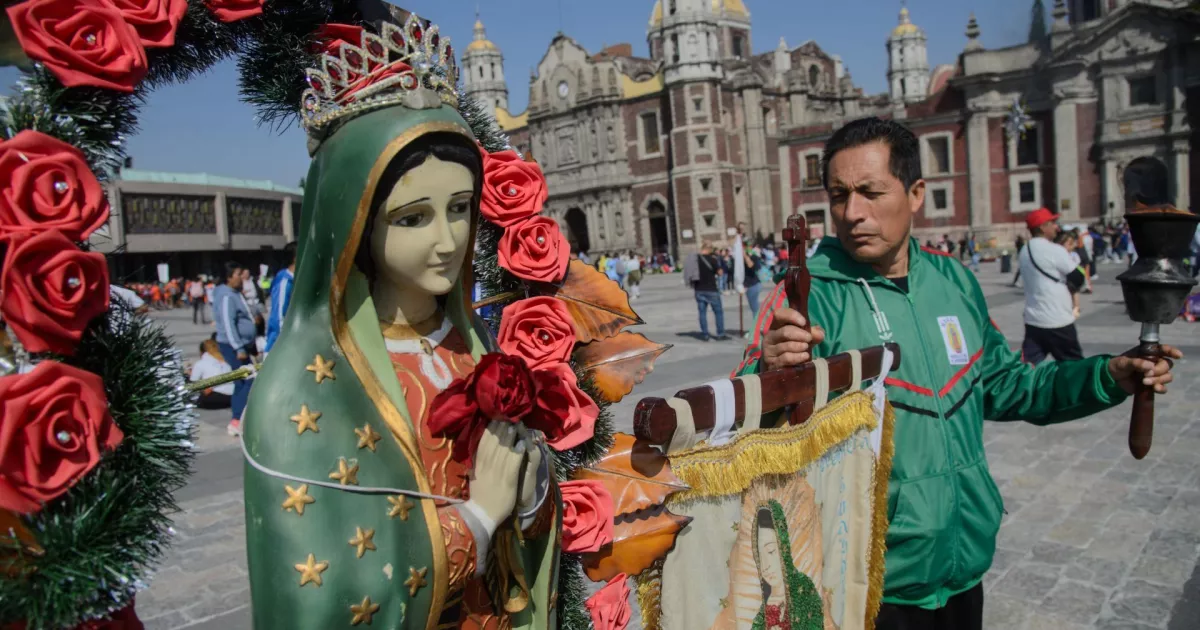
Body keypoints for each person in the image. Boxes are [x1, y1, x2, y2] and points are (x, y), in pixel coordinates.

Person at [735, 117, 1179, 630]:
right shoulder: (808, 297)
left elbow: (1009, 386)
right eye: (838, 196)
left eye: (870, 192)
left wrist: (1107, 377)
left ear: (916, 193)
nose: (852, 213)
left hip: (963, 565)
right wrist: (770, 372)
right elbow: (741, 430)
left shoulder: (953, 280)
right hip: (868, 585)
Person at [239, 25, 561, 627]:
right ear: (354, 217)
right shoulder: (307, 386)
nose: (447, 242)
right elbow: (328, 594)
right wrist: (478, 518)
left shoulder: (469, 340)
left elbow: (521, 515)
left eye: (460, 209)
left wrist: (531, 487)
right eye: (413, 218)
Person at [1019, 209, 1088, 364]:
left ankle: (1020, 388)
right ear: (1043, 227)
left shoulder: (1024, 250)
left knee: (1028, 365)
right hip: (1057, 320)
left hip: (1034, 319)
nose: (1057, 227)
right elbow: (1078, 277)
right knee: (1075, 366)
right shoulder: (1055, 250)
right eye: (1053, 223)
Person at [212, 261, 256, 437]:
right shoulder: (226, 296)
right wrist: (239, 347)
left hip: (243, 344)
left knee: (243, 380)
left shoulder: (234, 293)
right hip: (233, 345)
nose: (242, 277)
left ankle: (239, 418)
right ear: (229, 277)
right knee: (246, 380)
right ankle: (237, 419)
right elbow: (228, 324)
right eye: (238, 274)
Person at [685, 241, 729, 341]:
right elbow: (720, 273)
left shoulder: (695, 259)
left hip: (699, 290)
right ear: (709, 249)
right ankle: (720, 333)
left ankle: (705, 335)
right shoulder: (712, 259)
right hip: (711, 290)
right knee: (718, 312)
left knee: (702, 313)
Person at [264, 242, 297, 353]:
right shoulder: (284, 283)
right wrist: (288, 345)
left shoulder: (296, 281)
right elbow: (279, 318)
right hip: (280, 348)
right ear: (296, 258)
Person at [190, 337, 234, 410]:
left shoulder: (200, 363)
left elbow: (194, 383)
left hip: (216, 397)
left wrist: (190, 374)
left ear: (201, 352)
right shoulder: (226, 359)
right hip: (233, 396)